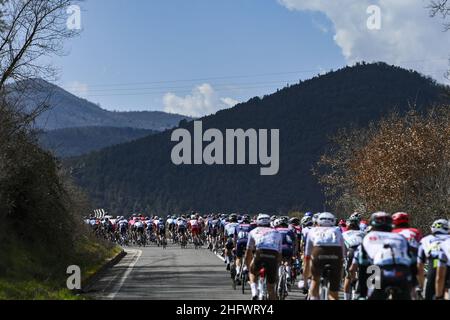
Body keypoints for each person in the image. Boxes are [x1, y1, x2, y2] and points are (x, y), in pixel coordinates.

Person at [351, 212, 414, 300]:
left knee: (369, 271)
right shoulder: (400, 237)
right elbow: (412, 261)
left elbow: (362, 265)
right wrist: (416, 284)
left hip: (379, 272)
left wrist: (362, 293)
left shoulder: (369, 236)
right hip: (402, 272)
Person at [303, 212, 345, 300]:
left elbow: (307, 256)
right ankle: (335, 287)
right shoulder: (337, 231)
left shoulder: (312, 230)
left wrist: (305, 281)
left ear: (318, 221)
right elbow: (343, 254)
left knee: (315, 279)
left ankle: (314, 297)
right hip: (335, 254)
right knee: (333, 294)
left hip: (319, 253)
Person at [245, 214, 282, 300]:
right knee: (271, 290)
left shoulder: (253, 231)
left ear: (257, 222)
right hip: (273, 255)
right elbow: (279, 255)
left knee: (252, 272)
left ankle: (254, 292)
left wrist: (249, 267)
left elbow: (248, 252)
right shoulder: (277, 233)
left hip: (260, 253)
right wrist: (276, 267)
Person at [418, 219, 450, 300]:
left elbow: (419, 264)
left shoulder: (426, 239)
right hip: (446, 263)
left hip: (434, 263)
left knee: (431, 294)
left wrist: (420, 285)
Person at [342, 215, 365, 300]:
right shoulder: (363, 233)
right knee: (363, 274)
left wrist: (343, 258)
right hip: (362, 253)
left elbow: (343, 249)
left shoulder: (344, 234)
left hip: (351, 252)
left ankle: (346, 298)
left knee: (348, 277)